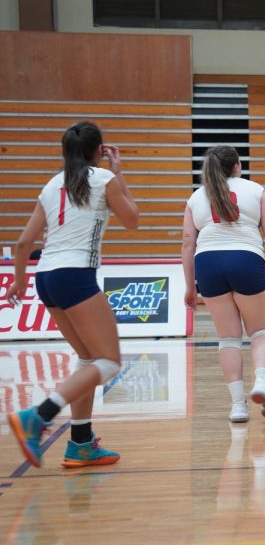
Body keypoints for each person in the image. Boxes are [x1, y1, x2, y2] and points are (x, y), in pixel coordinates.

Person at [5, 121, 139, 467]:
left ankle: (80, 442)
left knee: (88, 360)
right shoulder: (103, 180)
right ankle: (39, 414)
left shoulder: (51, 185)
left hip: (45, 277)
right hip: (75, 275)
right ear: (99, 151)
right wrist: (118, 172)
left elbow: (22, 243)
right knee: (109, 363)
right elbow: (132, 219)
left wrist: (18, 281)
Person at [181, 145, 265, 423]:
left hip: (208, 263)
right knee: (261, 331)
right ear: (237, 166)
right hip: (245, 258)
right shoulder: (255, 190)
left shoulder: (195, 197)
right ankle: (262, 382)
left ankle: (238, 406)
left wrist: (190, 286)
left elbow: (187, 243)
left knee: (228, 338)